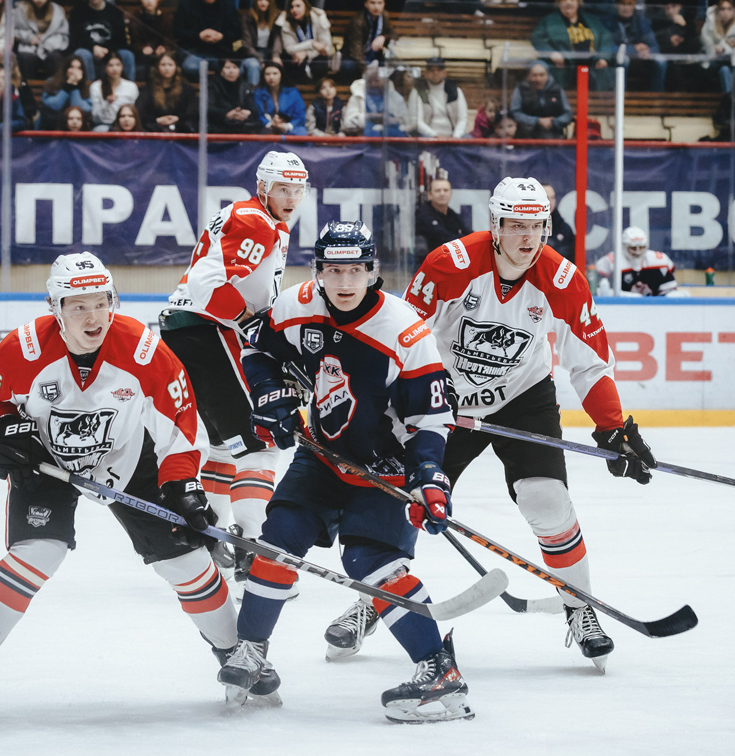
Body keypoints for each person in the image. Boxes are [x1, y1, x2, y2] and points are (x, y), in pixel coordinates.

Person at [0, 252, 237, 725]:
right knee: (39, 552)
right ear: (55, 307)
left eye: (101, 302)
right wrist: (7, 426)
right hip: (47, 460)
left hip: (127, 457)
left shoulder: (143, 351)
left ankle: (235, 654)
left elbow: (180, 426)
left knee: (185, 560)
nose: (92, 316)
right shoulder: (24, 349)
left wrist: (182, 484)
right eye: (78, 306)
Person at [217, 219, 472, 723]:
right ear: (318, 271)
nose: (344, 281)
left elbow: (431, 418)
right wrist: (269, 394)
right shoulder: (296, 304)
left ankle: (440, 671)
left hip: (386, 466)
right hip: (324, 452)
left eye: (355, 270)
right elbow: (257, 347)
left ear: (373, 271)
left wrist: (428, 476)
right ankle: (251, 650)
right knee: (279, 537)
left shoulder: (403, 330)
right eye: (333, 270)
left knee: (369, 562)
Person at [399, 176, 656, 673]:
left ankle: (578, 606)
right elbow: (404, 338)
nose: (527, 237)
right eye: (516, 225)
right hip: (447, 399)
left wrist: (612, 427)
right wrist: (422, 387)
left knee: (547, 501)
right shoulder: (449, 264)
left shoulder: (563, 280)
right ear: (495, 225)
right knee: (403, 498)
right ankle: (376, 599)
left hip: (523, 397)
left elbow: (590, 364)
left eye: (536, 226)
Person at [160, 151, 310, 590]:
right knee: (262, 445)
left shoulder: (257, 218)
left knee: (227, 448)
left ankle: (210, 540)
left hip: (189, 332)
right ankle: (254, 552)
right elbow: (206, 283)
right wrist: (247, 320)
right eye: (283, 188)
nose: (291, 198)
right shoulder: (255, 221)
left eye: (298, 190)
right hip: (208, 332)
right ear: (263, 187)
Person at [531, 0, 613, 91]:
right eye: (564, 0)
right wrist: (552, 53)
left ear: (578, 3)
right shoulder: (549, 20)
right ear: (559, 4)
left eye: (572, 0)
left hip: (592, 64)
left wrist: (603, 58)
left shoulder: (592, 20)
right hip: (563, 65)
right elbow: (537, 38)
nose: (568, 3)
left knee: (608, 73)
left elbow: (606, 38)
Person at [174, 0, 240, 80]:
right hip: (193, 51)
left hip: (219, 53)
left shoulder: (228, 7)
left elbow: (236, 32)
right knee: (191, 68)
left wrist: (221, 36)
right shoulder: (186, 5)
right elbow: (177, 31)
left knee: (231, 70)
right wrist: (199, 36)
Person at [70, 0, 135, 83]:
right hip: (88, 51)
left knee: (127, 54)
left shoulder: (115, 12)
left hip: (110, 51)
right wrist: (93, 48)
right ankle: (88, 88)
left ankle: (128, 88)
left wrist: (107, 50)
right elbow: (76, 39)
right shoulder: (78, 12)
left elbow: (121, 41)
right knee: (81, 53)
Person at [602, 0, 665, 92]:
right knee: (623, 59)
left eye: (629, 3)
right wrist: (632, 49)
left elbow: (654, 46)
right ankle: (622, 95)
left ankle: (657, 96)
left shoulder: (641, 20)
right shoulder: (607, 21)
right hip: (616, 60)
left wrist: (648, 51)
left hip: (639, 59)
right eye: (622, 3)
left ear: (634, 5)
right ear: (616, 4)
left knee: (661, 60)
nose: (626, 7)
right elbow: (607, 47)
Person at [274, 0, 337, 84]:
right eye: (291, 7)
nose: (294, 10)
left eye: (298, 6)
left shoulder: (319, 17)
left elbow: (326, 48)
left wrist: (307, 53)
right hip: (296, 57)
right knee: (294, 62)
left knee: (320, 63)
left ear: (306, 6)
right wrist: (312, 44)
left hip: (315, 56)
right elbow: (289, 48)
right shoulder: (286, 22)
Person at [596, 225, 680, 294]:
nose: (638, 252)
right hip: (621, 306)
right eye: (633, 248)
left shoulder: (660, 260)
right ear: (624, 247)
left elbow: (669, 293)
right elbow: (599, 290)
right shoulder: (612, 261)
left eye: (641, 247)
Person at [13, 0, 69, 80]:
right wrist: (29, 38)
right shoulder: (20, 9)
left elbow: (63, 33)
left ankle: (53, 86)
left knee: (55, 57)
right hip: (28, 47)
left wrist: (47, 42)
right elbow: (13, 30)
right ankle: (27, 86)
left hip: (51, 47)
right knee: (25, 57)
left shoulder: (57, 10)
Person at [510, 60, 574, 139]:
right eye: (534, 75)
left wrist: (554, 122)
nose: (538, 79)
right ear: (528, 76)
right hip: (527, 137)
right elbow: (515, 113)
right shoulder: (520, 90)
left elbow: (568, 113)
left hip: (554, 136)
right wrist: (537, 121)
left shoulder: (557, 90)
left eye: (542, 75)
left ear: (547, 75)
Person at [341, 0, 398, 78]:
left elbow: (394, 34)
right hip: (354, 57)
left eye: (379, 3)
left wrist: (383, 37)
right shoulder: (358, 21)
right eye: (372, 3)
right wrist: (367, 71)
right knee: (348, 67)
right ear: (366, 4)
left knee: (395, 68)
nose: (376, 7)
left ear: (384, 4)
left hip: (374, 55)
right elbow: (356, 51)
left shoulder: (384, 16)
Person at [137, 52, 198, 133]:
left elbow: (192, 111)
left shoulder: (186, 89)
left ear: (176, 67)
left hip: (180, 128)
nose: (167, 68)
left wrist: (178, 118)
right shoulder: (149, 88)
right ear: (157, 67)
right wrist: (157, 120)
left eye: (170, 65)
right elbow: (140, 111)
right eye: (163, 65)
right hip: (155, 129)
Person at [701, 0, 735, 94]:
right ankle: (730, 99)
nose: (726, 12)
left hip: (733, 62)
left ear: (734, 11)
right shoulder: (709, 25)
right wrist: (728, 46)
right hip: (712, 63)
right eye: (722, 9)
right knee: (725, 69)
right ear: (718, 11)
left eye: (729, 9)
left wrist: (723, 48)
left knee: (729, 69)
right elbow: (708, 49)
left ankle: (733, 99)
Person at [128, 0, 172, 82]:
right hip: (142, 52)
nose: (149, 0)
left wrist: (164, 47)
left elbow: (169, 38)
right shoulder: (135, 17)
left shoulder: (165, 17)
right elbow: (134, 40)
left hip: (161, 51)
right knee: (143, 63)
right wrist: (142, 48)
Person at [414, 57, 468, 139]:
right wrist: (435, 136)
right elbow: (418, 122)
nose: (435, 73)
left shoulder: (455, 91)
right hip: (429, 136)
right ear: (426, 73)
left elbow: (463, 119)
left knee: (469, 138)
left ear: (445, 73)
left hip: (452, 136)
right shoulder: (419, 92)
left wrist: (455, 137)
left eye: (439, 69)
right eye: (431, 70)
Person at [239, 0, 280, 87]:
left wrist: (275, 56)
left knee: (278, 65)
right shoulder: (246, 18)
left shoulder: (276, 17)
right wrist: (260, 59)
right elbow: (246, 45)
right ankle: (254, 95)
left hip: (269, 54)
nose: (263, 3)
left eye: (267, 0)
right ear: (255, 1)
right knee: (254, 65)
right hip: (251, 55)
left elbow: (277, 39)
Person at [416, 178, 466, 260]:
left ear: (451, 193)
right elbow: (444, 238)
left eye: (445, 190)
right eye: (437, 190)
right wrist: (463, 238)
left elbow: (467, 232)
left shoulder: (452, 214)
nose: (442, 194)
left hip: (449, 260)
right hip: (429, 262)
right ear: (429, 195)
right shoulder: (423, 214)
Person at [208, 57, 261, 134]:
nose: (231, 71)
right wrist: (226, 113)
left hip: (242, 125)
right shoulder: (213, 86)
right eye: (227, 67)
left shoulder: (245, 86)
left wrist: (248, 112)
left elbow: (253, 108)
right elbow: (208, 108)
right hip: (220, 126)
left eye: (235, 67)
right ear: (221, 70)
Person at [89, 52, 139, 131]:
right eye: (111, 65)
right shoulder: (96, 87)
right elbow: (95, 116)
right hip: (104, 124)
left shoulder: (131, 86)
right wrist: (106, 103)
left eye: (118, 65)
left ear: (122, 67)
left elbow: (134, 111)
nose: (114, 69)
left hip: (126, 125)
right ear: (105, 68)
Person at [254, 62, 309, 135]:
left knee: (301, 132)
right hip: (267, 127)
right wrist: (270, 124)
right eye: (267, 74)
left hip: (289, 127)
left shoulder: (293, 92)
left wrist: (287, 126)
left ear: (281, 75)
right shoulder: (258, 93)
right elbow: (258, 114)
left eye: (275, 73)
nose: (271, 77)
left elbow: (300, 115)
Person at [40, 56, 91, 131]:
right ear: (65, 68)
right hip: (53, 123)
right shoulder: (51, 83)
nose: (75, 71)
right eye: (72, 67)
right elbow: (55, 106)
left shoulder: (86, 87)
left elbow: (81, 109)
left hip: (77, 125)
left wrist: (74, 86)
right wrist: (67, 86)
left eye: (78, 68)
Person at [541, 182, 575, 263]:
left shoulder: (565, 229)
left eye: (552, 197)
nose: (550, 202)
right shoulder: (526, 227)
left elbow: (572, 261)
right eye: (546, 198)